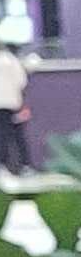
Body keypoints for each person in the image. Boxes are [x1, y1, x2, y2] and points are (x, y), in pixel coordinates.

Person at [0, 41, 30, 177]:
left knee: (2, 134)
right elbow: (22, 82)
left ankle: (2, 165)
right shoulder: (13, 61)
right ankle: (25, 166)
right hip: (13, 104)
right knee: (17, 135)